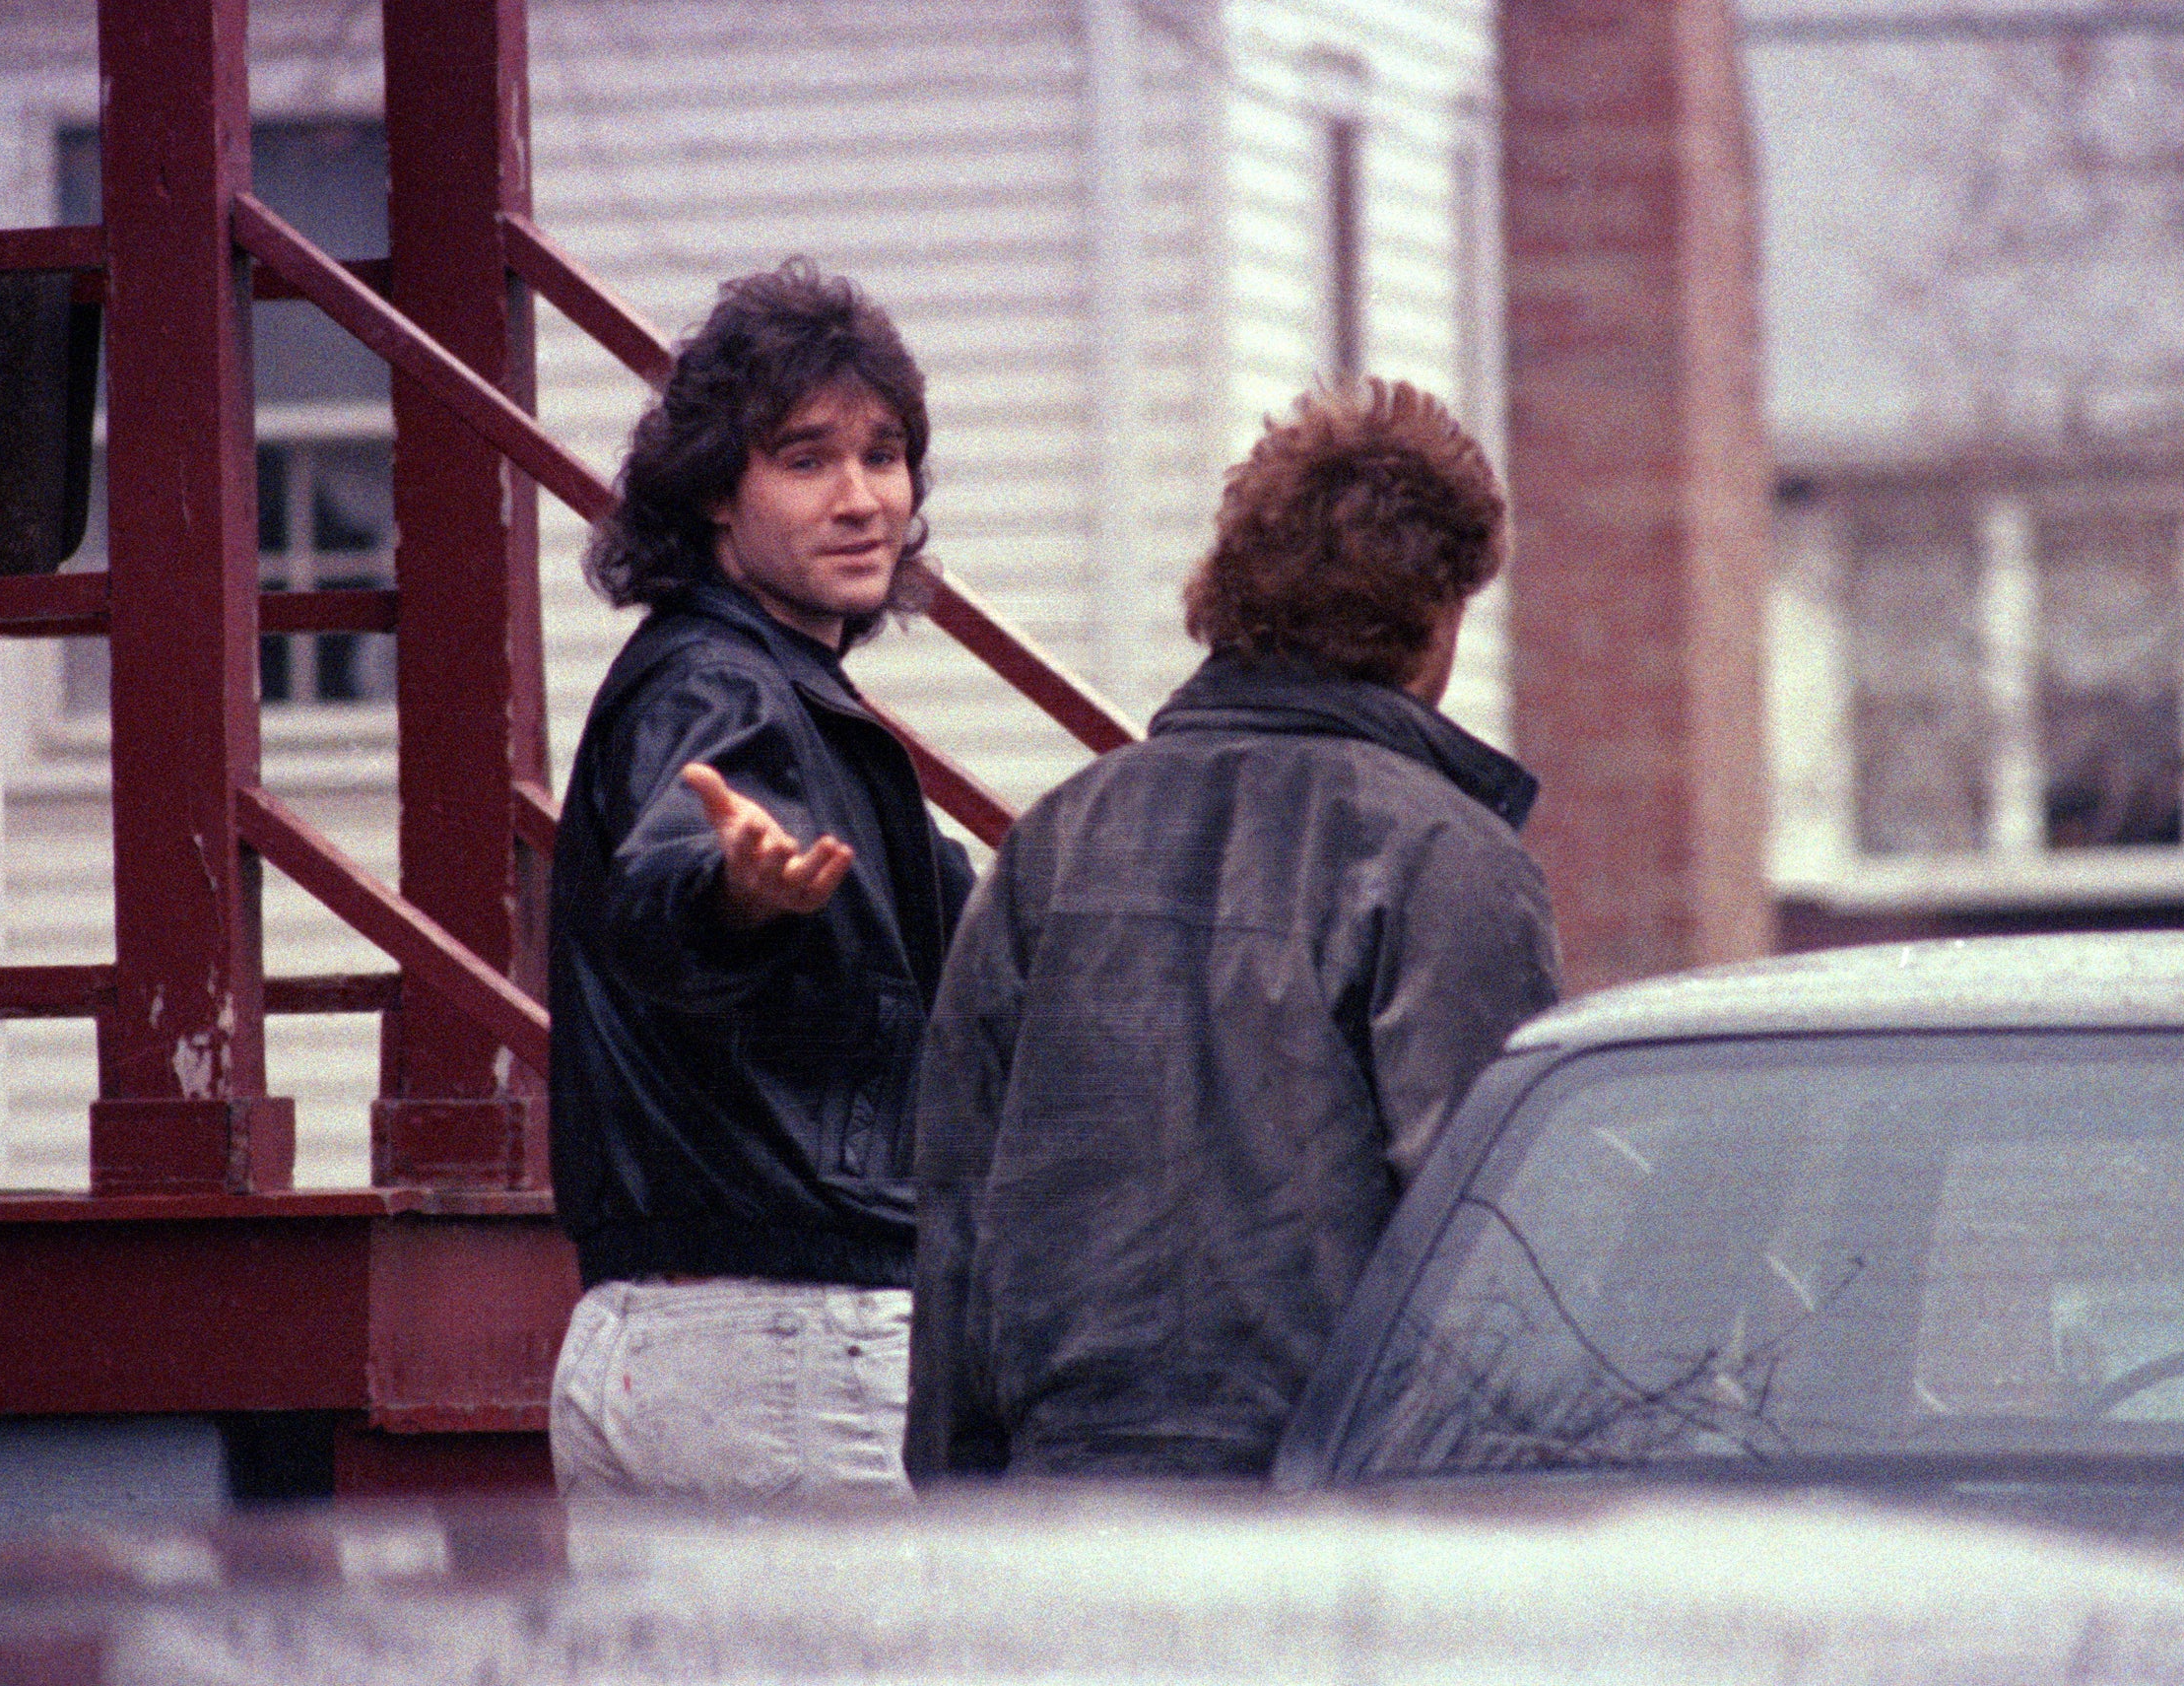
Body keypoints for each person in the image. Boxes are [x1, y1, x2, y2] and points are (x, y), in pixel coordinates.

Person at [907, 378, 1561, 1481]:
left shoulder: (1055, 841)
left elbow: (954, 1206)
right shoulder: (1448, 859)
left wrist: (965, 1501)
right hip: (1328, 1525)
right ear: (1440, 609)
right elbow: (1489, 1244)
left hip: (1054, 1515)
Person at [546, 259, 974, 1499]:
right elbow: (672, 883)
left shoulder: (781, 691)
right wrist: (738, 899)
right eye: (805, 458)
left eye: (884, 454)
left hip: (660, 1344)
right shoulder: (721, 689)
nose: (862, 498)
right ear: (713, 500)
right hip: (784, 1350)